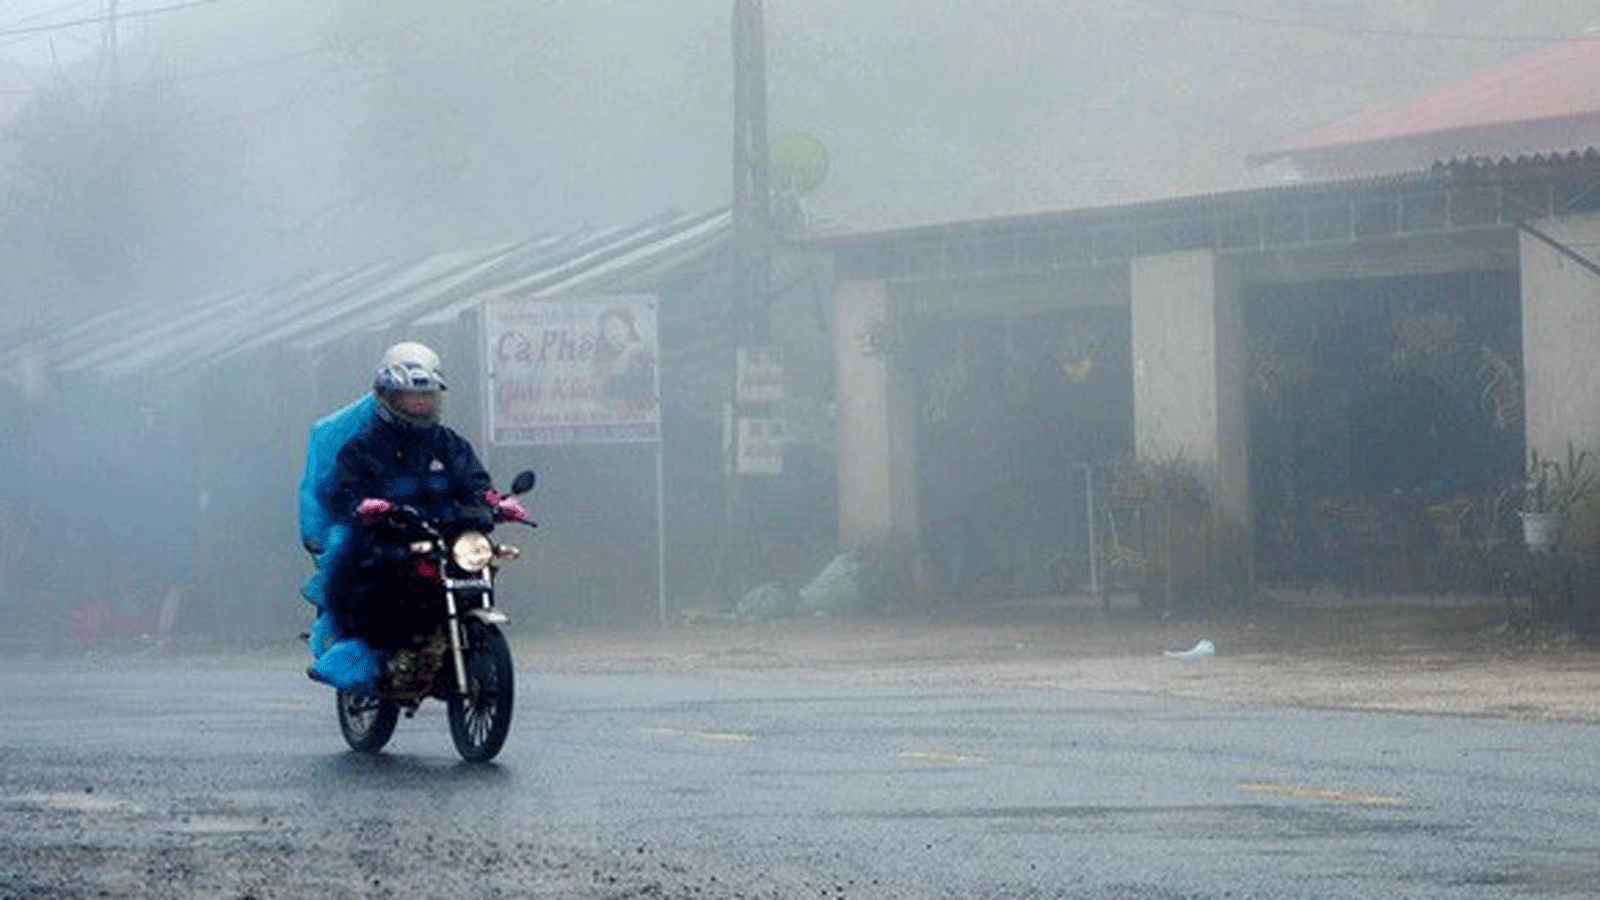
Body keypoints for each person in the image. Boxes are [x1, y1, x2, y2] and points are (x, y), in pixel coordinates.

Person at [306, 341, 518, 691]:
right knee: (358, 570)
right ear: (388, 396)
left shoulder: (450, 445)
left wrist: (497, 503)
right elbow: (343, 491)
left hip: (446, 536)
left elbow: (475, 484)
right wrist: (366, 507)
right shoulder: (363, 447)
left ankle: (461, 646)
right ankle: (370, 650)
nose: (421, 403)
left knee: (482, 561)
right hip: (389, 538)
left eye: (428, 396)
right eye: (410, 397)